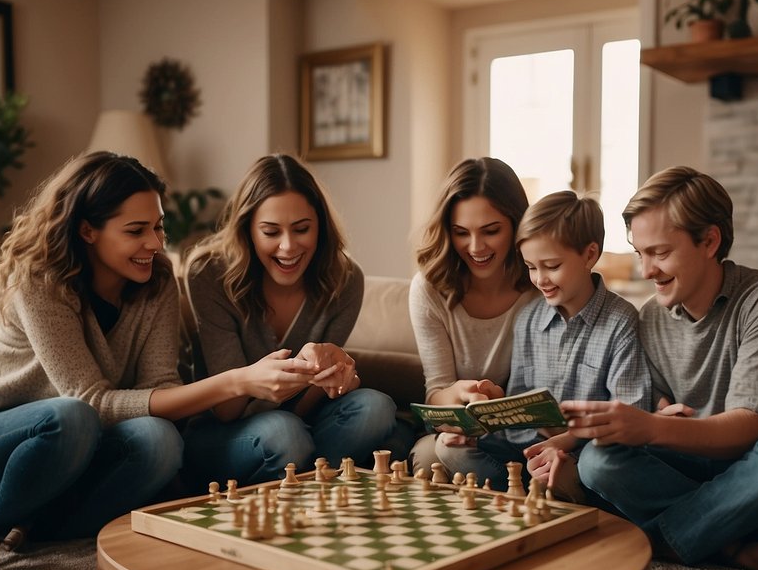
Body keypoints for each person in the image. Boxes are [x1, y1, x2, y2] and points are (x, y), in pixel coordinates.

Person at [0, 152, 315, 570]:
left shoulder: (157, 282)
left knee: (160, 441)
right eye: (135, 231)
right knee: (71, 417)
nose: (154, 242)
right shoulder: (40, 280)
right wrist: (235, 382)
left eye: (158, 227)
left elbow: (160, 387)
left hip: (79, 451)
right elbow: (88, 401)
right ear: (87, 230)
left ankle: (34, 519)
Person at [550, 166, 758, 570]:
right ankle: (735, 548)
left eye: (660, 253)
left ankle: (656, 542)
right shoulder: (648, 319)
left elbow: (750, 425)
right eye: (640, 254)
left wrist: (651, 428)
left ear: (709, 240)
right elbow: (663, 418)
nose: (647, 271)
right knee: (598, 461)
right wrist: (645, 423)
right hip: (702, 479)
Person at [181, 153, 396, 488]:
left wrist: (330, 374)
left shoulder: (345, 278)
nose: (288, 246)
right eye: (270, 231)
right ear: (248, 230)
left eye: (302, 229)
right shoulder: (208, 273)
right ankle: (312, 479)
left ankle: (301, 484)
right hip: (224, 429)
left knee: (377, 408)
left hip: (301, 421)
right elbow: (228, 410)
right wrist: (296, 373)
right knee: (285, 435)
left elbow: (310, 403)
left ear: (320, 227)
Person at [436, 190, 651, 490]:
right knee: (448, 447)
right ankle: (524, 490)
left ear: (589, 255)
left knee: (588, 464)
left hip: (585, 449)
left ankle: (552, 487)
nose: (540, 280)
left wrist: (567, 440)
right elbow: (519, 406)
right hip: (530, 447)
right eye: (531, 267)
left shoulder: (621, 320)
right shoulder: (529, 319)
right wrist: (479, 427)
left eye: (551, 266)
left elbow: (630, 409)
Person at [408, 157, 537, 473]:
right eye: (461, 232)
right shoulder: (429, 288)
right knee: (430, 458)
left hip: (527, 433)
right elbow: (436, 391)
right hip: (459, 432)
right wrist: (457, 395)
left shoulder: (540, 284)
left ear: (517, 225)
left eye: (491, 231)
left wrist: (500, 400)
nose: (475, 247)